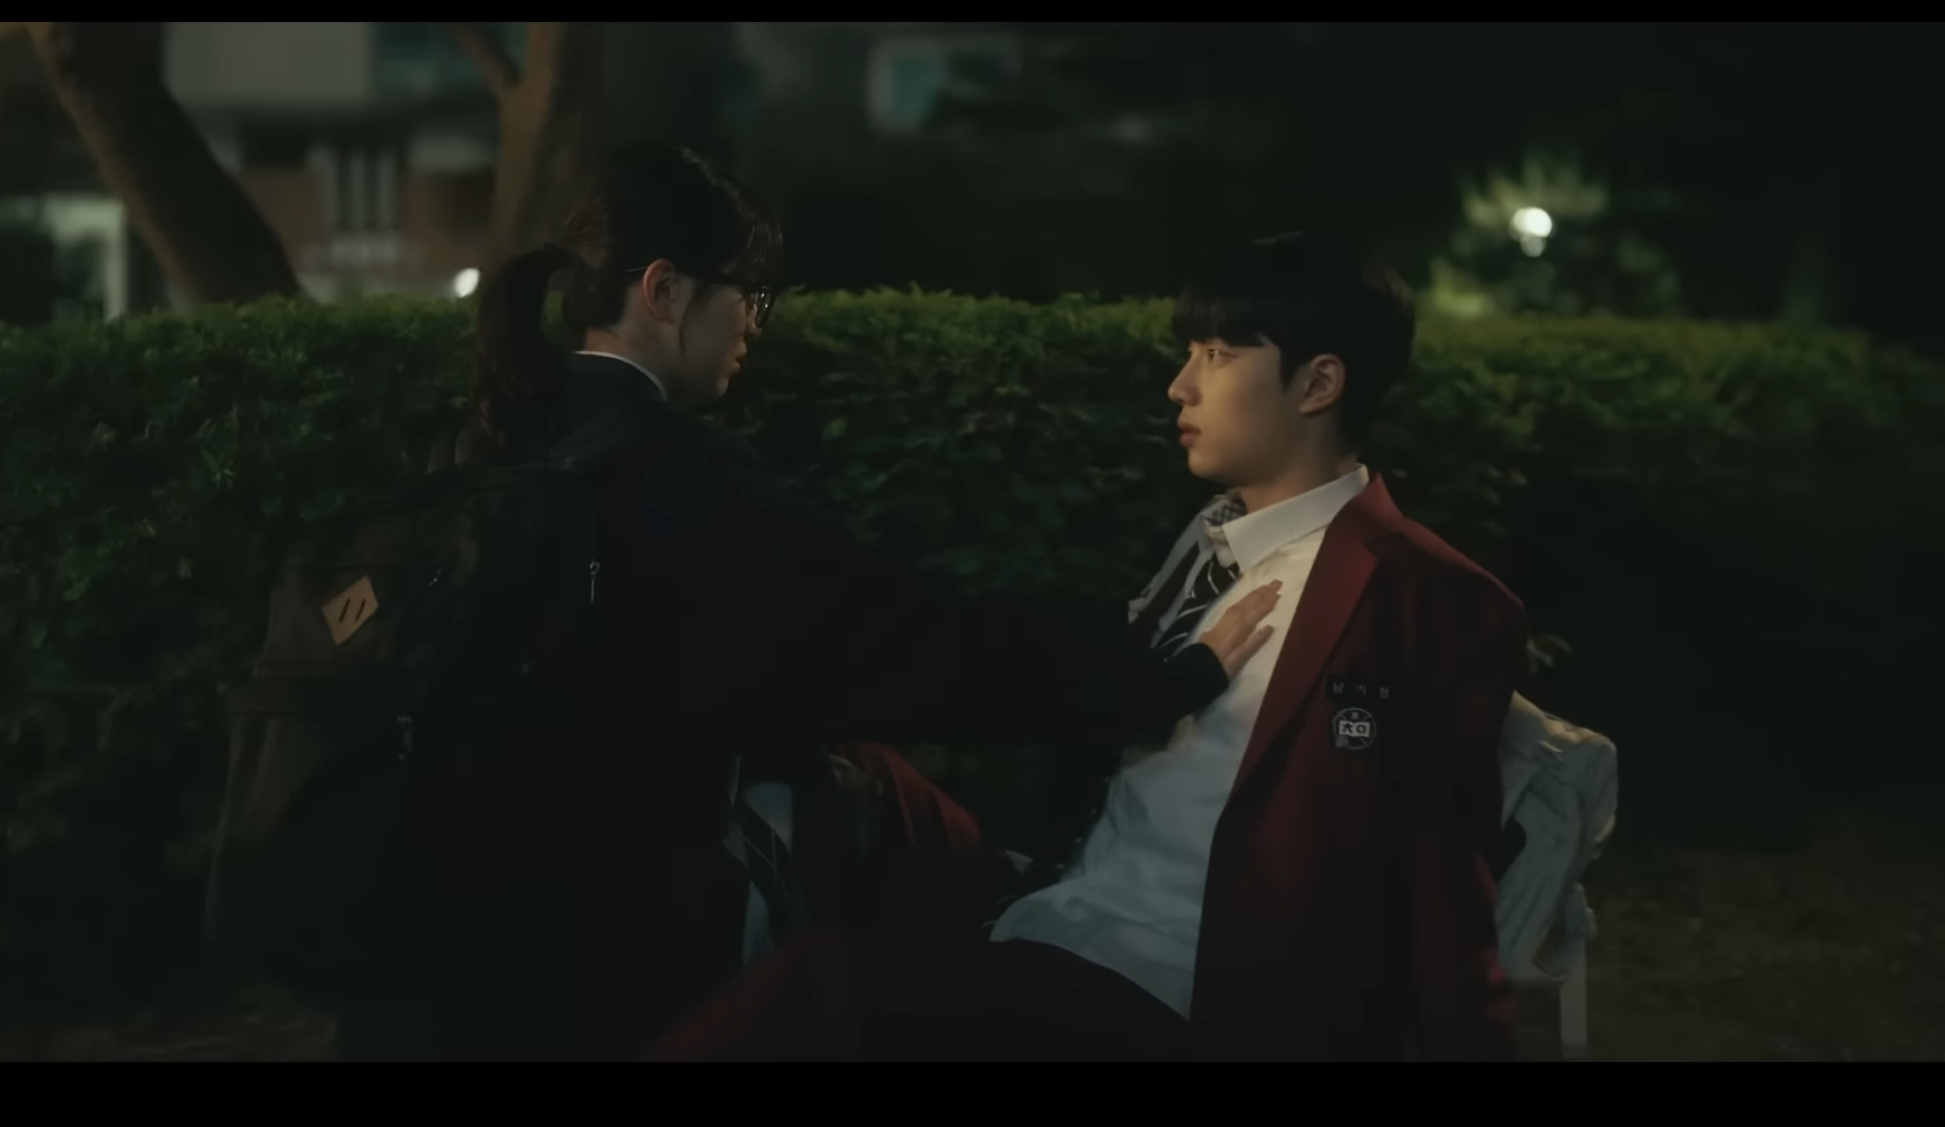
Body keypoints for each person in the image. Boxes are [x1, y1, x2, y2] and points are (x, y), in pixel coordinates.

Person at [333, 142, 1280, 1061]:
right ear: (664, 291)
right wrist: (1166, 681)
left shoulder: (485, 444)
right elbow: (919, 650)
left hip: (442, 935)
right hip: (613, 957)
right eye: (749, 296)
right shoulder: (681, 476)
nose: (755, 325)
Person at [646, 231, 1530, 1062]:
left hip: (1166, 984)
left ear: (1318, 383)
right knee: (830, 770)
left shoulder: (1421, 596)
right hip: (1052, 905)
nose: (1180, 386)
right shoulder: (1213, 540)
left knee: (824, 987)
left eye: (1217, 355)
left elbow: (1443, 884)